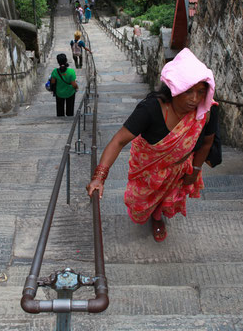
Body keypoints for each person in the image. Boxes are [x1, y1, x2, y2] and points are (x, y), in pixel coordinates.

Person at [86, 48, 218, 242]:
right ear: (175, 88)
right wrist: (99, 177)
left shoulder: (206, 111)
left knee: (166, 198)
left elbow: (207, 141)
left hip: (179, 169)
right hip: (148, 167)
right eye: (188, 91)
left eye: (200, 92)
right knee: (142, 200)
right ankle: (151, 213)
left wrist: (195, 169)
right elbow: (119, 140)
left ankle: (157, 218)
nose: (195, 99)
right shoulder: (151, 109)